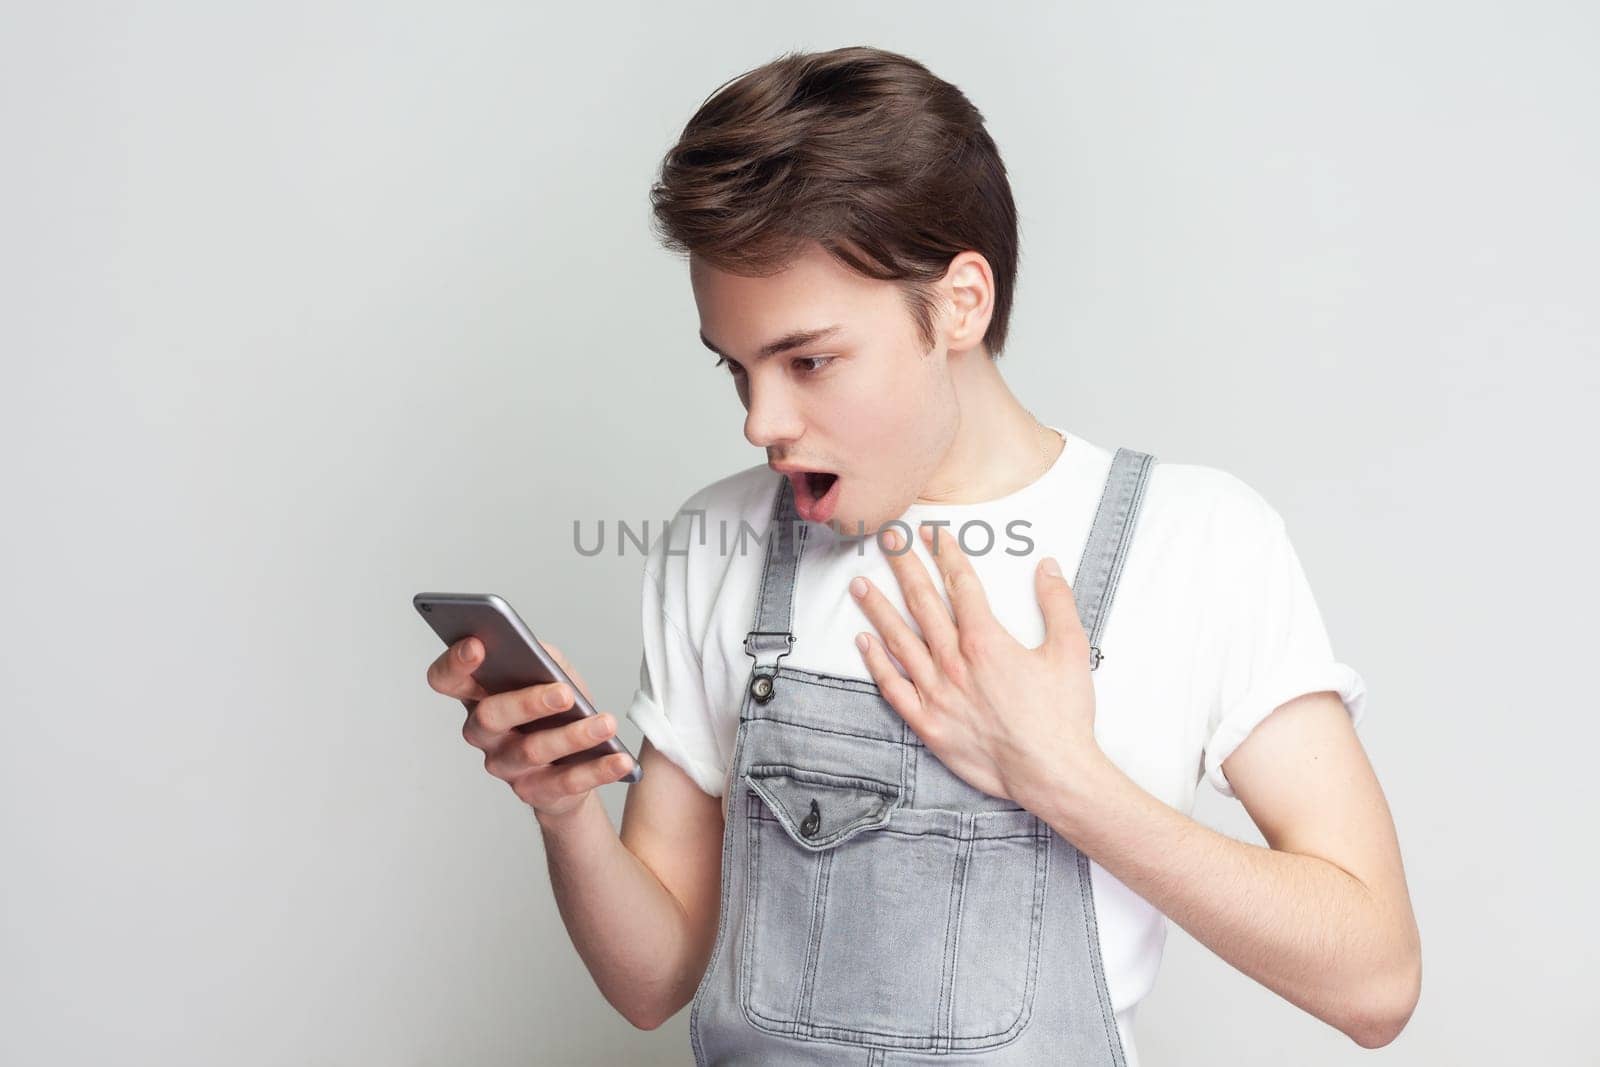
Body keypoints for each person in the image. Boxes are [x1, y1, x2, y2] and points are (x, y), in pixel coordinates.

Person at [425, 45, 1421, 1066]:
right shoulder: (714, 546)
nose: (761, 420)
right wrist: (565, 814)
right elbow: (652, 982)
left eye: (809, 360)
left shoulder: (1198, 539)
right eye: (737, 366)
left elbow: (1374, 981)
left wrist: (1062, 777)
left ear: (959, 304)